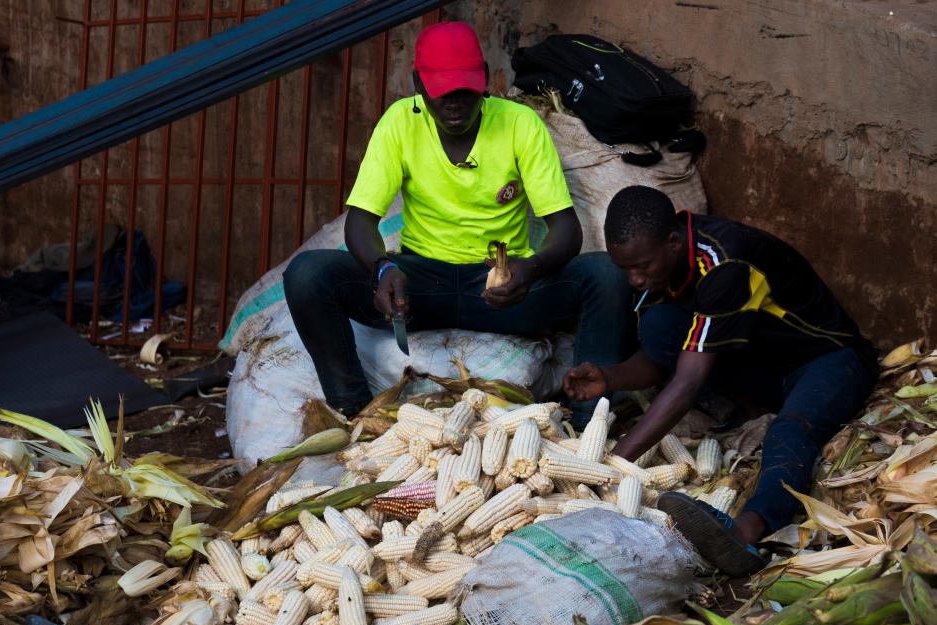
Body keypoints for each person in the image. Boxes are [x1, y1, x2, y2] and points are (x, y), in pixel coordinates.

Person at [284, 21, 632, 426]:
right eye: (442, 94)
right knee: (308, 274)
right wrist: (384, 268)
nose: (455, 105)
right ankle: (355, 414)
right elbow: (361, 221)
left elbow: (566, 228)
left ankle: (587, 425)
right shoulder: (399, 122)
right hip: (418, 289)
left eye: (466, 91)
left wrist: (530, 269)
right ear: (418, 85)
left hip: (502, 290)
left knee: (606, 275)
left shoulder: (519, 123)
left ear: (484, 78)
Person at [563, 185, 877, 577]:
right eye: (625, 269)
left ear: (674, 242)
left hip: (828, 360)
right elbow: (662, 359)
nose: (634, 279)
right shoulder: (664, 270)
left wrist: (611, 466)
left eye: (641, 266)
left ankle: (745, 533)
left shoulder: (726, 262)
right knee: (661, 325)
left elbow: (688, 381)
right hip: (764, 363)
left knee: (790, 433)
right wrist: (609, 378)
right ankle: (755, 406)